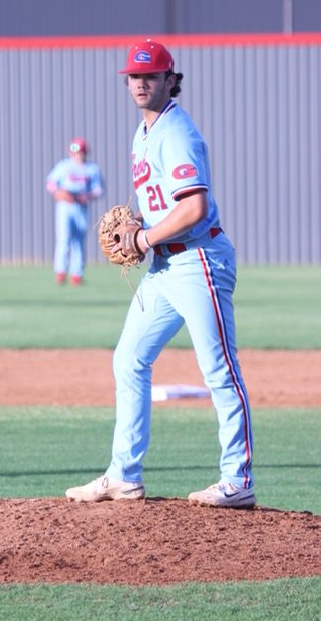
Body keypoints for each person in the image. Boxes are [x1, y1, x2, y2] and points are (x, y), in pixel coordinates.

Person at [66, 39, 255, 508]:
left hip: (199, 261)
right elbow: (159, 204)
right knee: (128, 358)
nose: (141, 82)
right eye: (134, 76)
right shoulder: (143, 132)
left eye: (150, 75)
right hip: (165, 267)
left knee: (219, 371)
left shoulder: (177, 132)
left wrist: (143, 239)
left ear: (171, 80)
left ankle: (238, 479)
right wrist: (139, 228)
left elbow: (195, 207)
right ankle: (123, 476)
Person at [46, 137, 104, 285]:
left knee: (78, 241)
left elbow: (99, 189)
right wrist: (58, 192)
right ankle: (60, 272)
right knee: (63, 239)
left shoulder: (91, 168)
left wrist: (88, 196)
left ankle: (76, 274)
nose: (78, 155)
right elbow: (51, 183)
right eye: (75, 152)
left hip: (81, 206)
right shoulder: (64, 166)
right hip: (65, 206)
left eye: (80, 152)